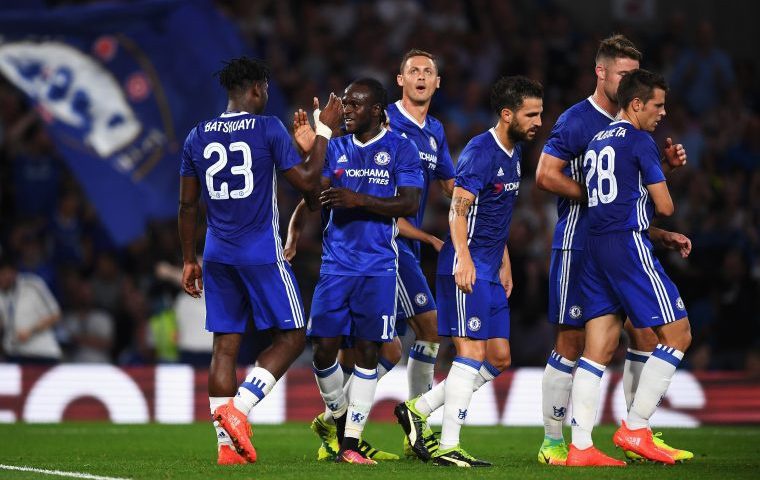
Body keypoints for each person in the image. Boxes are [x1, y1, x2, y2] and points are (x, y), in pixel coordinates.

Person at [534, 34, 692, 465]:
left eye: (633, 74)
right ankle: (556, 439)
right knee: (572, 339)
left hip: (607, 240)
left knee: (638, 336)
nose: (628, 81)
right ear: (600, 72)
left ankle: (616, 436)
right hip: (580, 241)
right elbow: (545, 175)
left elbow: (629, 193)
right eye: (623, 73)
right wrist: (600, 197)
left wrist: (660, 174)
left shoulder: (618, 132)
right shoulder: (577, 120)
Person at [178, 57, 342, 465]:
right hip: (260, 252)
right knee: (292, 337)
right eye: (266, 88)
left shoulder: (196, 135)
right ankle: (240, 409)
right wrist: (324, 132)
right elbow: (308, 184)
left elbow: (187, 205)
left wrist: (188, 259)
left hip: (216, 254)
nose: (267, 95)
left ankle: (226, 448)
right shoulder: (267, 128)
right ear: (255, 89)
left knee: (224, 347)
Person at [396, 76, 544, 467]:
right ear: (507, 114)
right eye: (531, 114)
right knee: (472, 354)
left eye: (540, 114)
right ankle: (449, 445)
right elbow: (458, 209)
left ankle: (418, 409)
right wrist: (463, 256)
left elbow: (494, 215)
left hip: (490, 268)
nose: (538, 122)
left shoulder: (514, 153)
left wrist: (504, 258)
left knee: (499, 357)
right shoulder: (481, 151)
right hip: (467, 268)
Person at [306, 78, 423, 465]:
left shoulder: (401, 148)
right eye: (344, 103)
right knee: (323, 349)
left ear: (376, 110)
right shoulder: (335, 147)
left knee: (368, 351)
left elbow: (409, 203)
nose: (347, 110)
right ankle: (340, 424)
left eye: (354, 104)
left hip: (378, 267)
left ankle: (351, 444)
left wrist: (358, 199)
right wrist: (320, 135)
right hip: (335, 265)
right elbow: (312, 197)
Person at [0, 257, 62, 364]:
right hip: (13, 354)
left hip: (41, 353)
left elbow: (56, 315)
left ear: (13, 272)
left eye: (3, 274)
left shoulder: (32, 285)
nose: (2, 278)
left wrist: (31, 331)